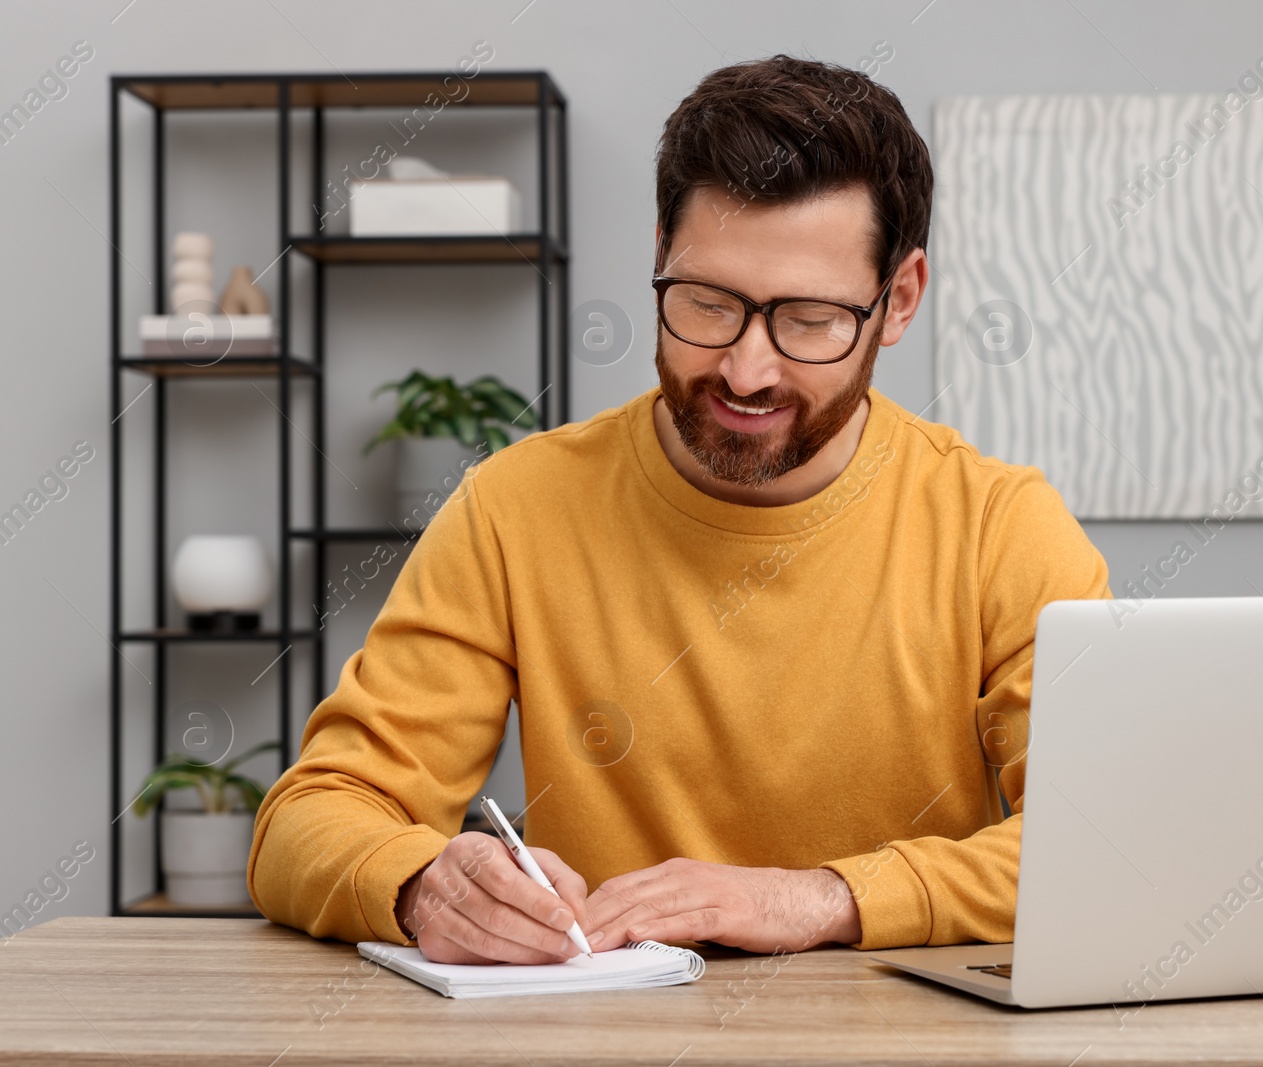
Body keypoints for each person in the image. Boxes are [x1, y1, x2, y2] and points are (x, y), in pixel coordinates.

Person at [248, 54, 1111, 965]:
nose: (746, 370)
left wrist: (821, 897)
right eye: (706, 303)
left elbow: (1103, 836)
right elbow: (308, 818)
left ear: (898, 300)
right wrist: (422, 883)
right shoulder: (516, 509)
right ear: (659, 251)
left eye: (809, 319)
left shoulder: (1000, 527)